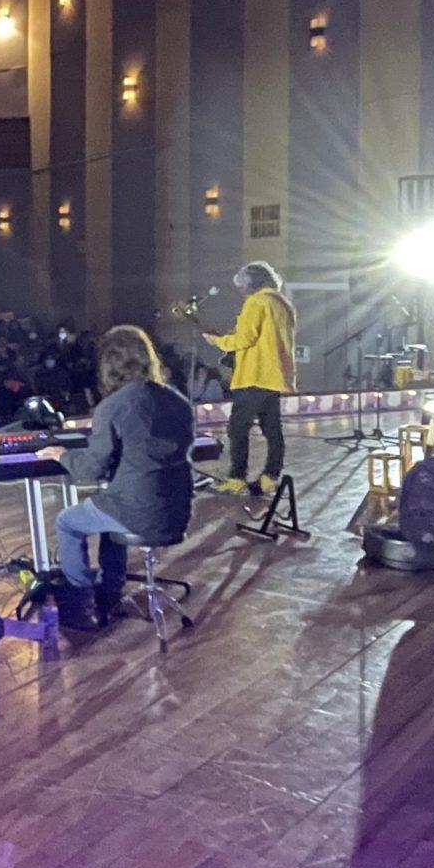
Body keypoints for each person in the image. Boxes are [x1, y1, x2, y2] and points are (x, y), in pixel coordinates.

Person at [50, 326, 195, 632]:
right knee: (109, 514)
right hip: (178, 509)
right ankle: (109, 593)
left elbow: (90, 469)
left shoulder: (113, 406)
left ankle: (83, 607)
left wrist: (61, 455)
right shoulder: (178, 402)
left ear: (110, 365)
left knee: (68, 522)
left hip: (138, 509)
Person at [198, 262, 296, 494]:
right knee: (272, 429)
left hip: (254, 375)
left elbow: (245, 339)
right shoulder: (283, 304)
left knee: (237, 428)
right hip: (274, 376)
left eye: (242, 286)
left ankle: (237, 478)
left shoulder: (256, 302)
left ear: (251, 284)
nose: (242, 291)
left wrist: (218, 341)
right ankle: (270, 477)